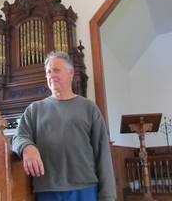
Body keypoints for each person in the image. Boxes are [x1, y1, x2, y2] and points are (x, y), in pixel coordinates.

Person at [12, 51, 116, 201]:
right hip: (48, 190)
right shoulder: (34, 110)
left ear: (71, 73)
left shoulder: (89, 108)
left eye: (56, 70)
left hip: (84, 188)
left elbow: (103, 154)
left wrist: (108, 196)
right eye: (48, 71)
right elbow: (18, 137)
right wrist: (27, 147)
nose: (51, 75)